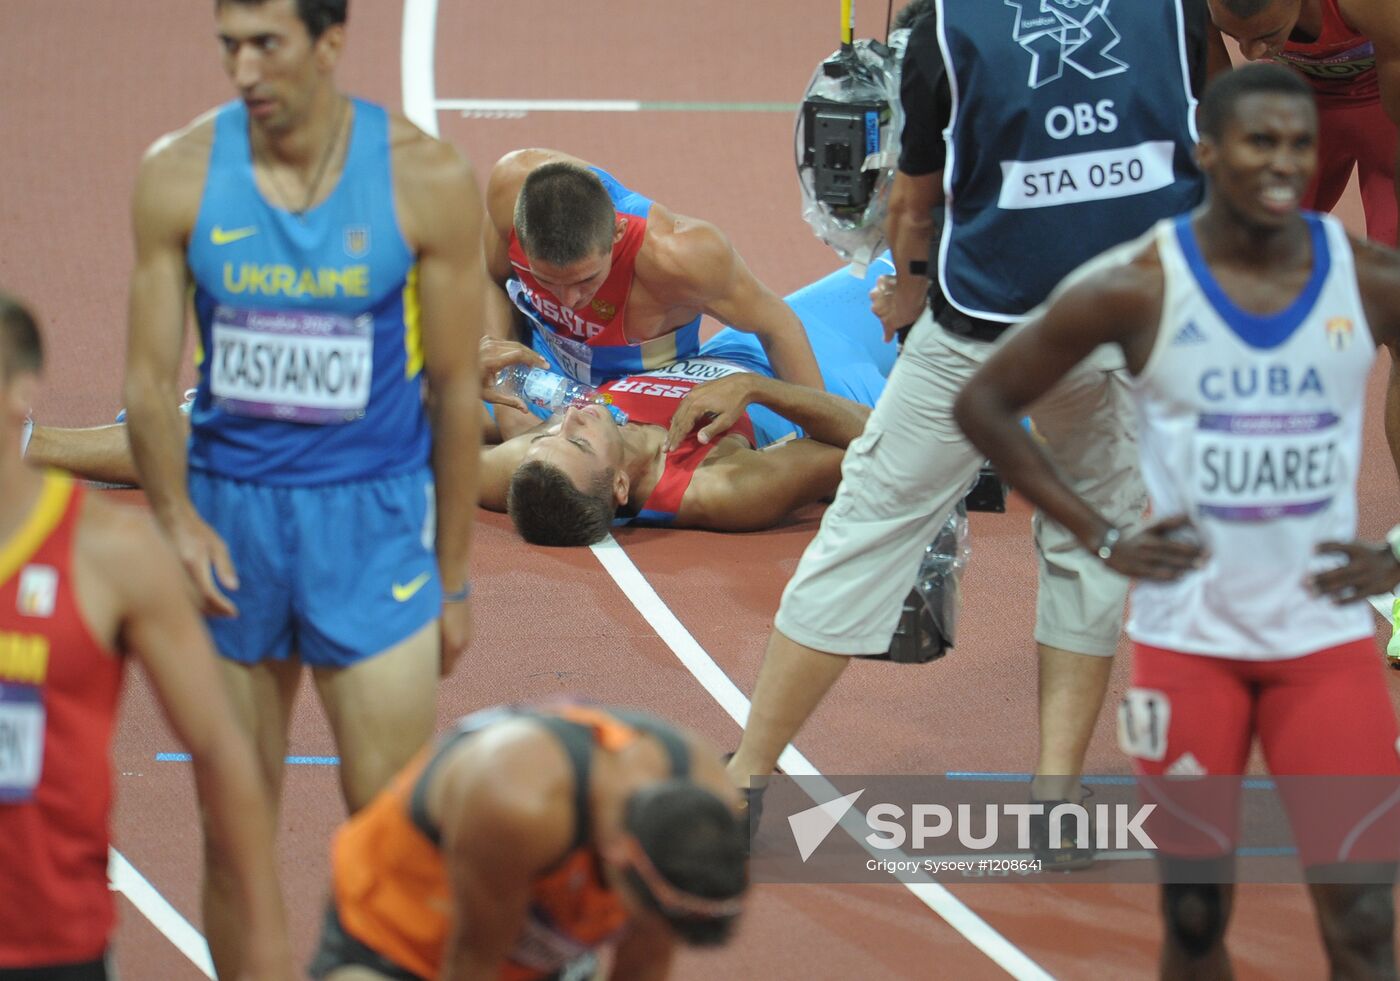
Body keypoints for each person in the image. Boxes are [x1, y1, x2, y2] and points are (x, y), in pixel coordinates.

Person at [724, 0, 1220, 868]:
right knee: (1088, 540)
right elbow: (1201, 147)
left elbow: (916, 204)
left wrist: (907, 298)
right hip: (1124, 324)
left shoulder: (951, 26)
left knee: (867, 529)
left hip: (988, 333)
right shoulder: (1174, 8)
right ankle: (1057, 801)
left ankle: (744, 779)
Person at [955, 63, 1400, 977]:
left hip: (1325, 647)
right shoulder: (1141, 284)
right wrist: (1101, 534)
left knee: (1363, 918)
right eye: (1261, 141)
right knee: (1195, 921)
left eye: (1301, 144)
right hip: (1189, 647)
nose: (1284, 162)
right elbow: (986, 403)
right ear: (1208, 151)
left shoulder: (1368, 277)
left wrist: (1396, 552)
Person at [120, 0, 486, 969]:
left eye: (266, 45)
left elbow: (455, 395)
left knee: (391, 832)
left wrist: (451, 577)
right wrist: (175, 522)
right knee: (234, 832)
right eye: (227, 46)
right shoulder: (178, 176)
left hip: (369, 527)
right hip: (232, 527)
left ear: (329, 43)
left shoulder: (424, 180)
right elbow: (148, 387)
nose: (243, 71)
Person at [0, 294, 295, 979]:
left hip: (47, 945)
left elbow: (223, 749)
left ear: (19, 395)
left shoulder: (113, 554)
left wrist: (266, 948)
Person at [1207, 0, 1400, 661]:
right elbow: (1216, 115)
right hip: (1285, 115)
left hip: (1388, 101)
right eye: (1239, 40)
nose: (1252, 53)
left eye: (1262, 35)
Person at [308, 701, 748, 981]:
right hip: (405, 932)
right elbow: (472, 965)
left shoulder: (704, 806)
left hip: (538, 939)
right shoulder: (517, 804)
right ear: (619, 854)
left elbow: (646, 965)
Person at [484, 260, 898, 544]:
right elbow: (881, 446)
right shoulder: (722, 489)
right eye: (579, 440)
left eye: (550, 433)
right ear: (621, 486)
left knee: (917, 248)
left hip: (752, 343)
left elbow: (431, 460)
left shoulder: (540, 468)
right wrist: (755, 388)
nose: (568, 416)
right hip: (842, 388)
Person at [481, 148, 825, 424]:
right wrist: (503, 364)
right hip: (543, 372)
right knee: (442, 408)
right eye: (545, 281)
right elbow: (491, 280)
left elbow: (778, 325)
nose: (569, 300)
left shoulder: (681, 257)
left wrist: (820, 436)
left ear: (617, 235)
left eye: (586, 280)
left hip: (644, 397)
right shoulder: (510, 192)